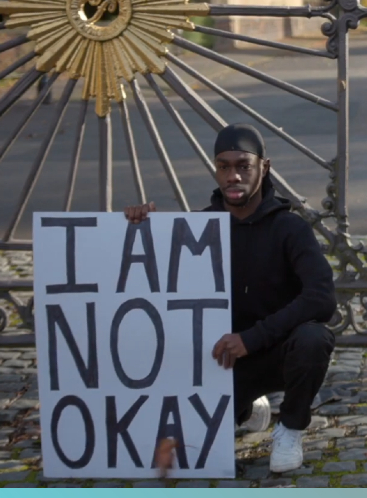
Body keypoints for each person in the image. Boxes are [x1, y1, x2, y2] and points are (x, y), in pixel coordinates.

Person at [125, 123, 337, 475]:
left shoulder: (290, 228)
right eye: (224, 167)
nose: (233, 176)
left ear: (263, 168)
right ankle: (249, 410)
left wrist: (252, 338)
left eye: (243, 166)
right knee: (184, 451)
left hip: (274, 352)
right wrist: (141, 229)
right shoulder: (198, 230)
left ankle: (289, 429)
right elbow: (151, 289)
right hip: (218, 363)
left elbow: (322, 299)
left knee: (314, 339)